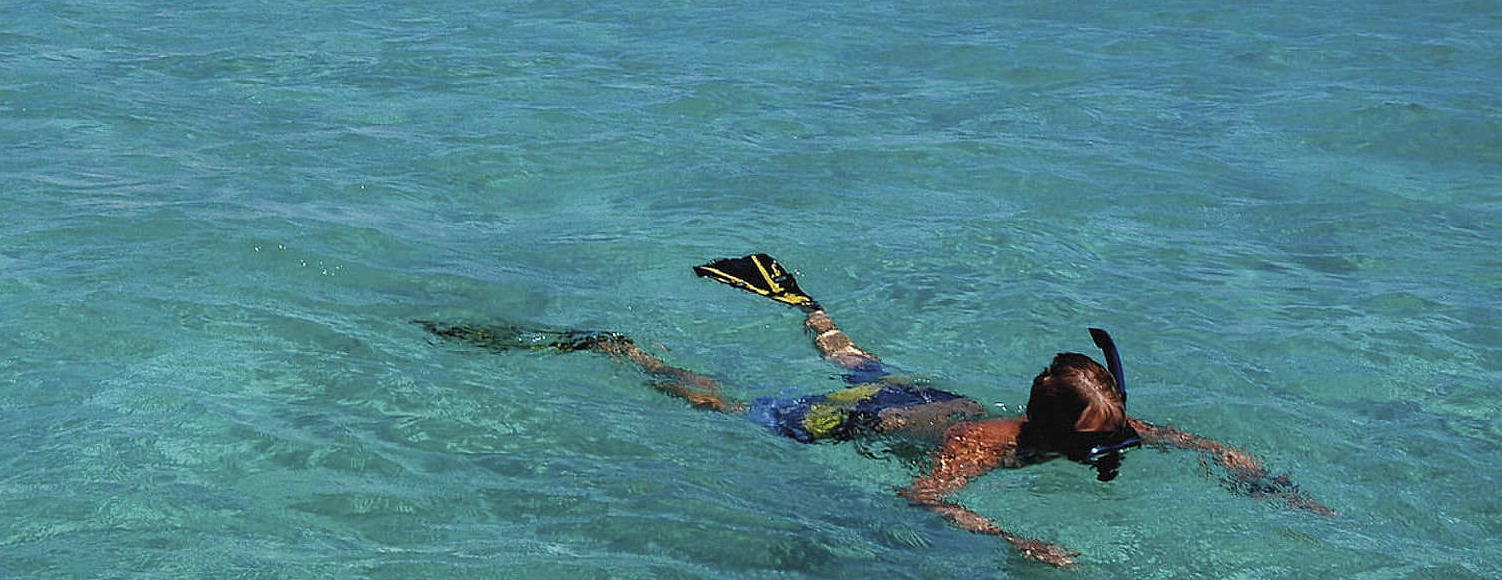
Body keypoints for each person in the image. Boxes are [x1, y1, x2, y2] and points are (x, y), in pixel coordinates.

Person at [424, 253, 1332, 568]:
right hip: (857, 422)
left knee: (853, 351)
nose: (1121, 445)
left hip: (916, 397)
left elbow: (1201, 443)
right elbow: (921, 500)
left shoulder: (1107, 423)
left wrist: (1261, 481)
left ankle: (798, 297)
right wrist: (1015, 541)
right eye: (1101, 439)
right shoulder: (989, 446)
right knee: (718, 403)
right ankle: (623, 349)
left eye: (1119, 431)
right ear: (1049, 431)